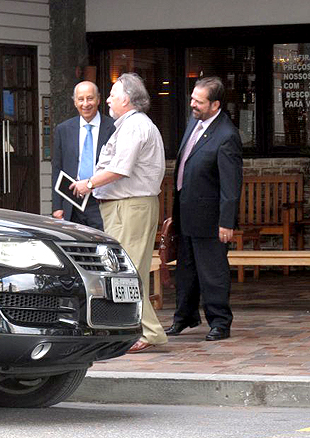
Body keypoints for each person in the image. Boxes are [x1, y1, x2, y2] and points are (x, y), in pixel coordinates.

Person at [70, 72, 167, 353]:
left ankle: (147, 331)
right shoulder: (129, 125)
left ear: (126, 99)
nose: (108, 99)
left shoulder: (135, 126)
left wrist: (88, 184)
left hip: (130, 206)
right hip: (127, 206)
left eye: (113, 94)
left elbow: (119, 169)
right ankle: (137, 328)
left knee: (129, 270)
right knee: (126, 270)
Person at [165, 77, 242, 342]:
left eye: (199, 101)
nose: (192, 104)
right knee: (186, 270)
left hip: (210, 219)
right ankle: (184, 317)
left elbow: (230, 184)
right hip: (186, 212)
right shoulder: (194, 123)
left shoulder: (226, 135)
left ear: (215, 104)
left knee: (212, 272)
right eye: (192, 99)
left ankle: (220, 322)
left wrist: (227, 222)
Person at [52, 81, 115, 230]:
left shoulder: (113, 128)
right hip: (72, 201)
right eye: (80, 99)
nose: (85, 104)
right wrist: (57, 207)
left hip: (101, 201)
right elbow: (57, 168)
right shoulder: (63, 129)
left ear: (98, 100)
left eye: (90, 98)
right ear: (74, 102)